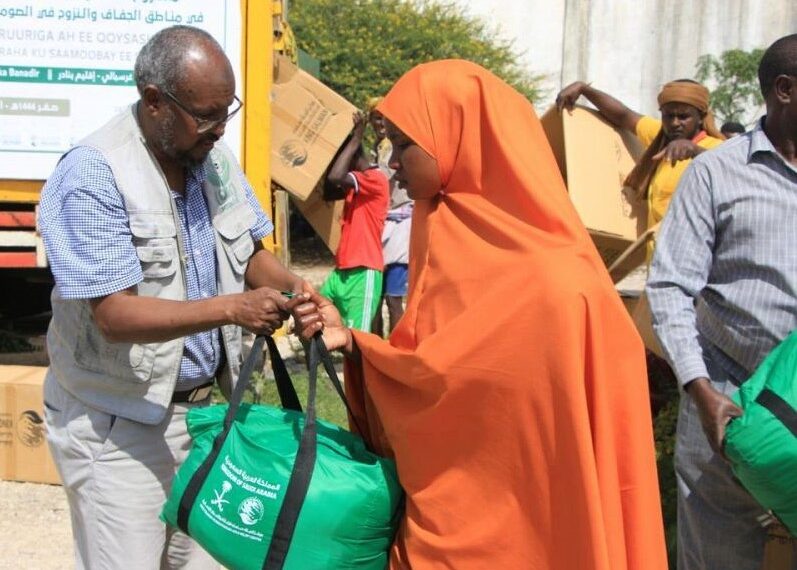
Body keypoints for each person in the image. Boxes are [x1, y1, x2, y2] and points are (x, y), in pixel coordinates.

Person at [295, 59, 668, 569]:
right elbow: (433, 369)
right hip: (446, 512)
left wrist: (370, 353)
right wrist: (357, 345)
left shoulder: (562, 278)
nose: (393, 163)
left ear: (461, 136)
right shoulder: (438, 226)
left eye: (403, 145)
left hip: (535, 523)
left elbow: (469, 378)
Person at [38, 26, 317, 569]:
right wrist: (232, 308)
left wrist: (297, 290)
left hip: (204, 419)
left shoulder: (211, 156)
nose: (220, 128)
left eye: (227, 111)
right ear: (154, 101)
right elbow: (114, 315)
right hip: (117, 424)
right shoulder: (94, 172)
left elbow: (248, 252)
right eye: (206, 116)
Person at [646, 34, 797, 570]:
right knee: (718, 557)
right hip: (727, 403)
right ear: (784, 89)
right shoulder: (716, 172)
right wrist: (700, 388)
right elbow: (669, 286)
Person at [556, 78, 724, 258]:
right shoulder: (661, 138)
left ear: (701, 117)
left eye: (683, 117)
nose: (675, 123)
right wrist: (585, 90)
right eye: (668, 116)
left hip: (694, 259)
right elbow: (623, 116)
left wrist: (695, 151)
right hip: (659, 258)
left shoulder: (718, 149)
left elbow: (731, 173)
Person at [321, 112, 390, 332]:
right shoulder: (356, 186)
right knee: (315, 315)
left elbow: (335, 177)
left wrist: (356, 138)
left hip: (363, 270)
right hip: (342, 269)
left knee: (357, 338)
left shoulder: (375, 180)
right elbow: (328, 191)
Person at [366, 96, 413, 336]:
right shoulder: (376, 149)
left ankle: (396, 347)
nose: (380, 123)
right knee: (375, 297)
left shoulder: (390, 149)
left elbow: (382, 182)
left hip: (399, 224)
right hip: (381, 223)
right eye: (376, 118)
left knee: (393, 298)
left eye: (384, 118)